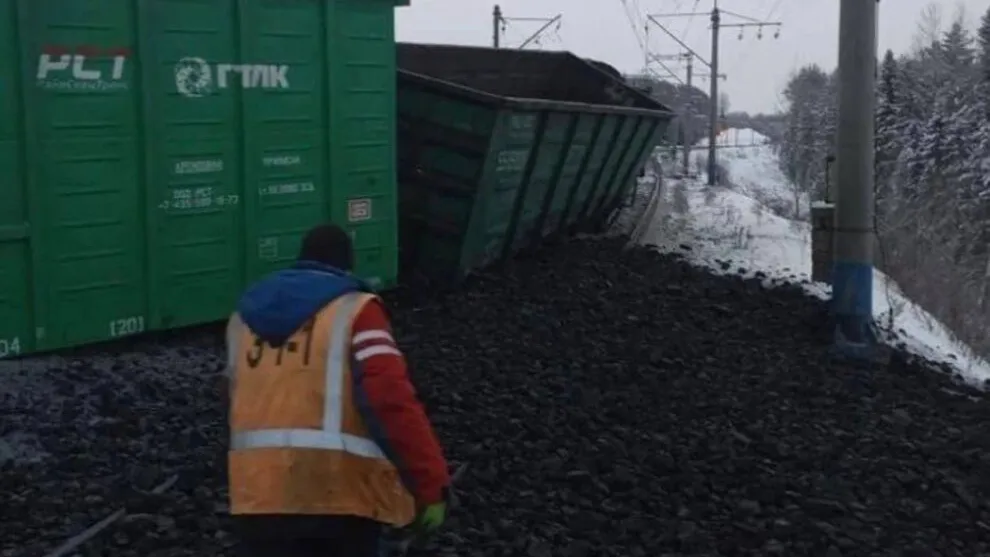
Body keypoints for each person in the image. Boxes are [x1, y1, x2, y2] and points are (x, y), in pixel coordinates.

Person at [224, 223, 451, 557]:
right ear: (346, 266)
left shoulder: (242, 319)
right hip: (335, 495)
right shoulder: (356, 310)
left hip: (257, 494)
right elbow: (389, 398)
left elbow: (234, 402)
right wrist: (429, 482)